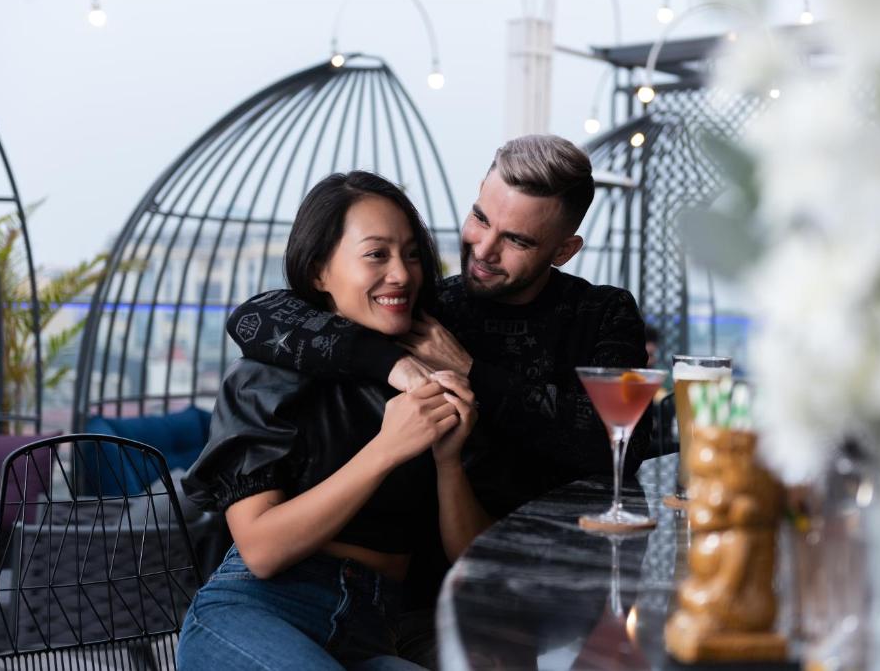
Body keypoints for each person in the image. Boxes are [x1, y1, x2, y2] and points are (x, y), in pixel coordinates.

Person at [224, 135, 650, 633]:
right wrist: (391, 362)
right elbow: (256, 316)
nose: (484, 250)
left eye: (517, 240)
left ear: (564, 251)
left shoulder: (603, 313)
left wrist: (472, 372)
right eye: (480, 218)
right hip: (433, 595)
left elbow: (618, 445)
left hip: (577, 583)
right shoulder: (430, 309)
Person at [177, 172, 490, 671]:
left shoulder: (427, 376)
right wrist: (386, 449)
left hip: (374, 630)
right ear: (319, 270)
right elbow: (260, 550)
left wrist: (448, 461)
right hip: (261, 611)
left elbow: (471, 559)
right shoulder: (263, 377)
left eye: (412, 254)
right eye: (376, 254)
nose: (402, 274)